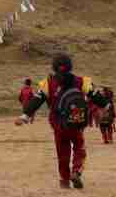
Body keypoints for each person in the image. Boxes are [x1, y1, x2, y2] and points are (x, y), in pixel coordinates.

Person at [15, 54, 108, 189]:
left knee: (62, 152)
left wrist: (24, 116)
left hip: (58, 124)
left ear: (54, 67)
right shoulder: (80, 81)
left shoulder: (48, 83)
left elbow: (36, 100)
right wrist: (106, 106)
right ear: (70, 66)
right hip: (76, 122)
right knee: (79, 148)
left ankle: (64, 180)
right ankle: (76, 171)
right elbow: (95, 96)